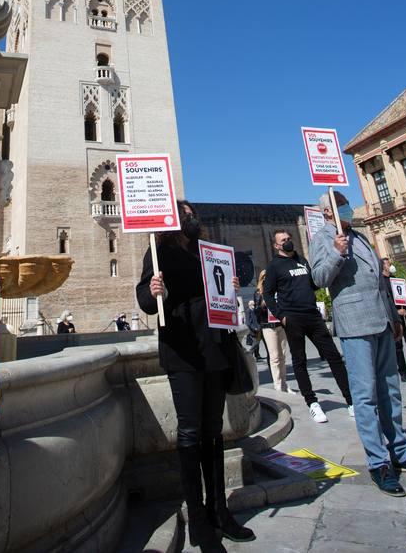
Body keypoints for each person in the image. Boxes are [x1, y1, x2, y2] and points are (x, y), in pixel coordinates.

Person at [136, 200, 254, 551]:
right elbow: (144, 298)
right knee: (190, 432)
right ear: (171, 221)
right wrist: (154, 290)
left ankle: (220, 510)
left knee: (213, 431)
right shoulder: (159, 253)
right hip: (182, 350)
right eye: (183, 215)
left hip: (215, 347)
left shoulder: (209, 249)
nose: (190, 218)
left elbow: (239, 271)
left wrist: (233, 280)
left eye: (191, 214)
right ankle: (199, 518)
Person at [309, 192, 406, 496]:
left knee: (390, 389)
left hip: (381, 319)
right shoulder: (323, 239)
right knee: (365, 394)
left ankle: (400, 450)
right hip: (354, 323)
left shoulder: (362, 236)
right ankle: (378, 462)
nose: (346, 208)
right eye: (339, 205)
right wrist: (337, 253)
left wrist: (393, 316)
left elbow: (379, 280)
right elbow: (319, 278)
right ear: (328, 213)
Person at [263, 229, 352, 423]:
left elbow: (314, 283)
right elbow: (268, 294)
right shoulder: (274, 266)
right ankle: (312, 403)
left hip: (312, 315)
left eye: (289, 238)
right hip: (292, 318)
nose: (287, 242)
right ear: (276, 245)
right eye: (283, 240)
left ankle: (350, 400)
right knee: (300, 360)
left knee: (334, 357)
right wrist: (281, 316)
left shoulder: (302, 261)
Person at [254, 270, 295, 394]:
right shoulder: (258, 292)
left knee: (282, 355)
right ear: (262, 279)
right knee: (275, 357)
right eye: (265, 277)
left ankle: (284, 384)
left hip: (280, 324)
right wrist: (261, 305)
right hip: (268, 326)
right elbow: (256, 312)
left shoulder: (277, 290)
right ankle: (278, 385)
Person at [381, 257, 406, 382]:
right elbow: (385, 301)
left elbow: (402, 296)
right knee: (398, 346)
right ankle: (402, 372)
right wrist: (396, 311)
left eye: (390, 263)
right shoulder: (381, 282)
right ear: (383, 266)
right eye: (388, 264)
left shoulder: (396, 279)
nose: (390, 266)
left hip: (404, 315)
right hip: (394, 317)